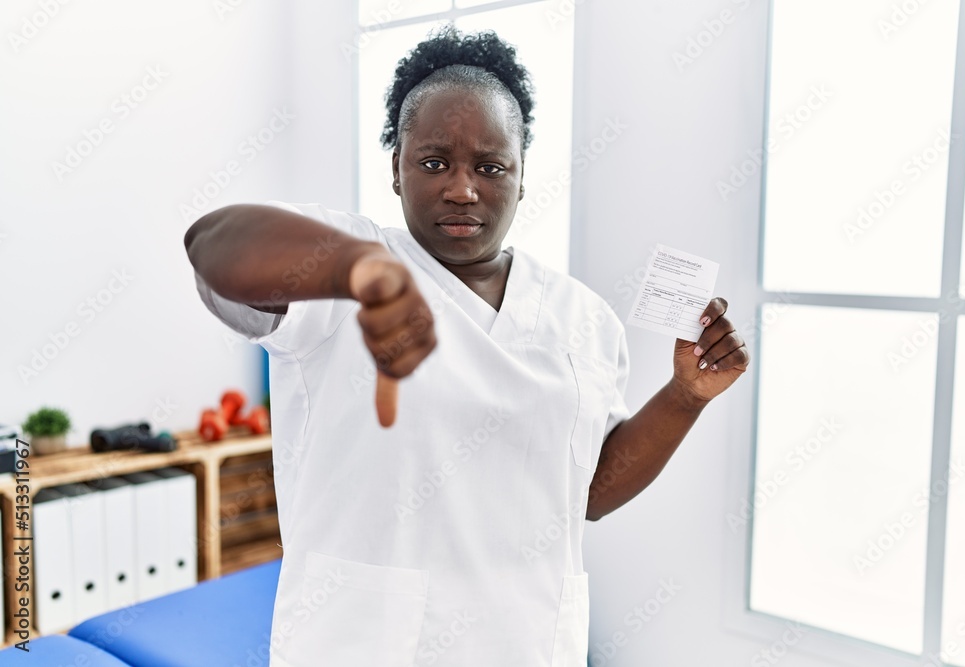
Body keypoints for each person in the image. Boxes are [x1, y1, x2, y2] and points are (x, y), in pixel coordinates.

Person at [184, 26, 748, 667]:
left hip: (526, 644)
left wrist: (685, 396)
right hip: (365, 647)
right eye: (433, 163)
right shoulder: (344, 270)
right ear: (396, 170)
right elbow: (215, 247)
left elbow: (585, 494)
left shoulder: (583, 318)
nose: (462, 189)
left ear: (522, 177)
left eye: (490, 166)